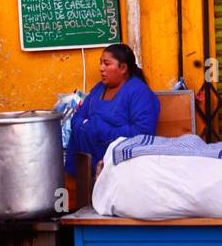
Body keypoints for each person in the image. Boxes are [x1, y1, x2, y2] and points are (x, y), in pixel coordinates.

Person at [67, 43, 160, 176]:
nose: (101, 68)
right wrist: (88, 127)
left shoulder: (139, 92)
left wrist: (99, 129)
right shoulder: (99, 88)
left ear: (123, 68)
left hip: (122, 168)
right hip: (89, 164)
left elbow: (142, 133)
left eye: (106, 63)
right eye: (101, 63)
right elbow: (78, 117)